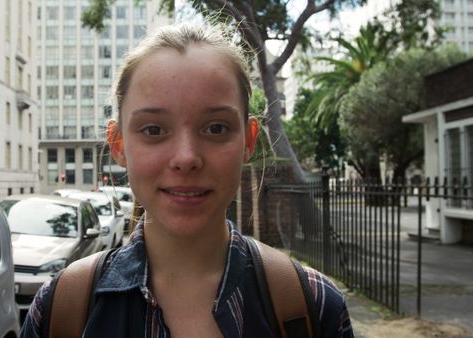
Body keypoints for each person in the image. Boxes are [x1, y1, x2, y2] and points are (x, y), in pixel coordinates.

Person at [20, 22, 353, 338]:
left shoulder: (313, 305)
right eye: (153, 130)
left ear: (249, 141)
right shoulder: (60, 309)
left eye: (216, 128)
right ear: (119, 145)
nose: (186, 158)